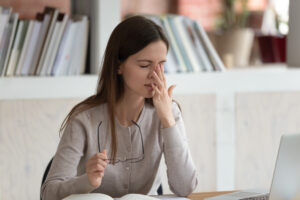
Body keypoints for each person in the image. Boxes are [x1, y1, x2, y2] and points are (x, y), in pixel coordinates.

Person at [41, 15, 198, 200]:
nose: (155, 75)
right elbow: (48, 194)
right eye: (145, 65)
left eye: (161, 65)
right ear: (118, 66)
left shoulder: (169, 113)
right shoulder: (84, 119)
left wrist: (167, 120)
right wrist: (87, 181)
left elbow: (186, 188)